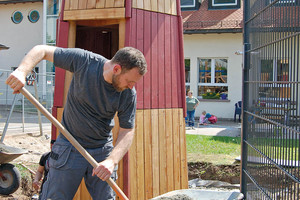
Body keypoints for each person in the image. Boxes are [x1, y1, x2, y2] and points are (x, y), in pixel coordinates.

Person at [6, 45, 147, 199]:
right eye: (129, 81)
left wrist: (111, 161)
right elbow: (42, 50)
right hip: (69, 146)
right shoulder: (85, 62)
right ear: (116, 69)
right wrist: (21, 71)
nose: (131, 86)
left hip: (102, 151)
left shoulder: (128, 93)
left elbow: (127, 130)